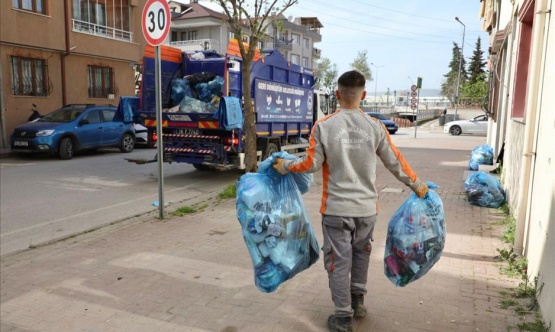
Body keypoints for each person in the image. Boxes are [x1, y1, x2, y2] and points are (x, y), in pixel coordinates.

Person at [273, 70, 428, 332]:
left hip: (336, 210)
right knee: (361, 256)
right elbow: (395, 161)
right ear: (364, 95)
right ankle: (358, 303)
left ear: (337, 94)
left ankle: (343, 317)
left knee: (337, 262)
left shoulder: (323, 126)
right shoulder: (375, 126)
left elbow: (311, 164)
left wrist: (286, 166)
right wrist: (418, 185)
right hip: (367, 210)